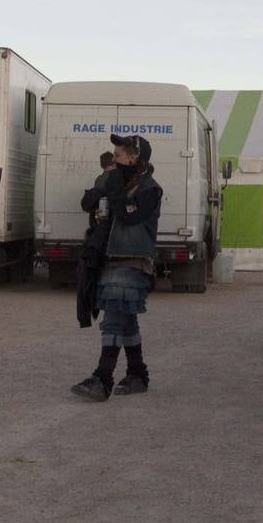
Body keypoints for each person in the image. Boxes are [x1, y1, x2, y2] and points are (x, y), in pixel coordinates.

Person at [70, 133, 163, 402]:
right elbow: (86, 203)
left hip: (132, 260)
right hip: (110, 260)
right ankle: (137, 374)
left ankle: (102, 378)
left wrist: (114, 194)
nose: (115, 160)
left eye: (119, 155)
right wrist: (101, 190)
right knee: (125, 319)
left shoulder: (150, 189)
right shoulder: (114, 181)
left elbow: (128, 217)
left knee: (113, 320)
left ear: (135, 158)